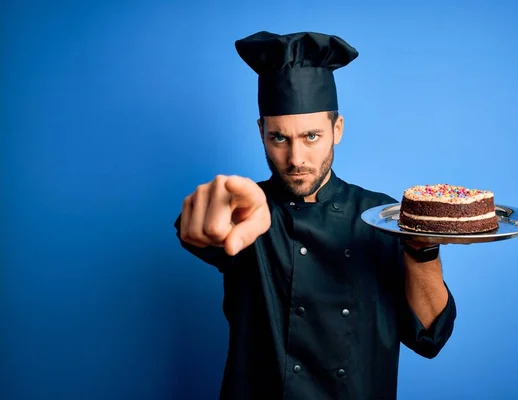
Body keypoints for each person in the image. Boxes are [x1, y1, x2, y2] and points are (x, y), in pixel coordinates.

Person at [174, 31, 457, 400]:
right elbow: (198, 227)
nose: (296, 159)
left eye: (311, 136)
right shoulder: (246, 211)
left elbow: (429, 338)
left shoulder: (381, 216)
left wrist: (422, 251)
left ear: (336, 130)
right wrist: (212, 211)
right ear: (261, 132)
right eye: (279, 138)